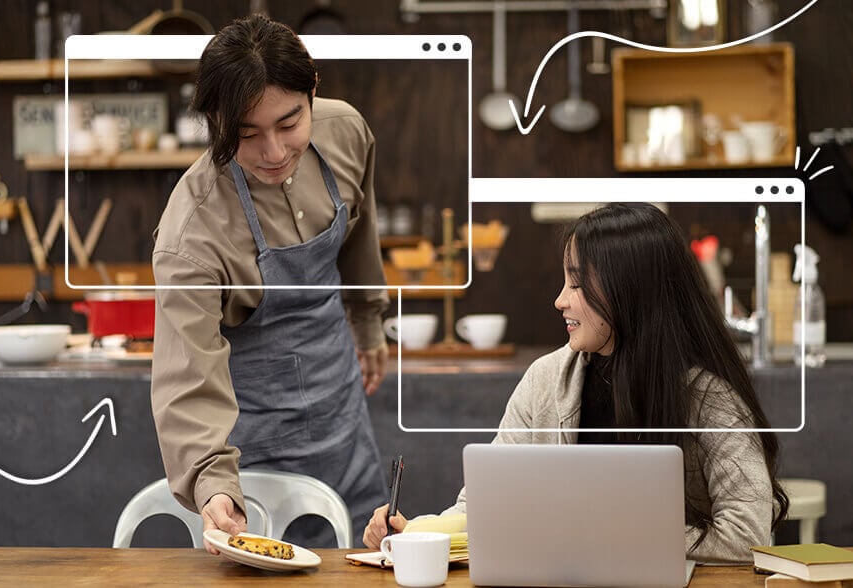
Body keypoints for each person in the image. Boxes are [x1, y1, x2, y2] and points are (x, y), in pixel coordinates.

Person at [363, 203, 788, 564]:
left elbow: (747, 537)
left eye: (578, 283)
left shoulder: (711, 400)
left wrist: (608, 543)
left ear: (631, 292)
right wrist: (418, 532)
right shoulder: (545, 380)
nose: (560, 299)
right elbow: (483, 504)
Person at [151, 14, 389, 552]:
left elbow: (360, 227)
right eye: (246, 134)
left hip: (343, 407)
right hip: (254, 442)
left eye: (289, 124)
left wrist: (368, 320)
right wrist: (213, 485)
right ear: (214, 121)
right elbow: (188, 373)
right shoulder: (191, 229)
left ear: (313, 92)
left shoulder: (345, 131)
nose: (275, 152)